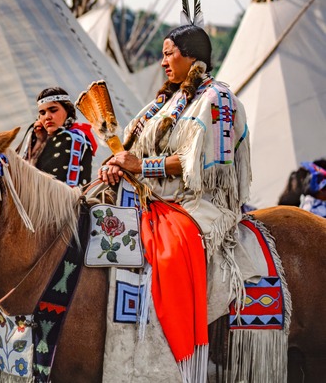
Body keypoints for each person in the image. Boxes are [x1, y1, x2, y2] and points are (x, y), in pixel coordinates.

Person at [98, 22, 252, 380]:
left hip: (201, 202)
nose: (164, 60)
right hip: (154, 196)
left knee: (164, 254)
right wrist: (118, 165)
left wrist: (141, 165)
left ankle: (163, 359)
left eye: (170, 53)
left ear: (191, 55)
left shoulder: (218, 100)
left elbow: (199, 166)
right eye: (164, 53)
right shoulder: (166, 101)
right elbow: (134, 149)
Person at [18, 86, 95, 186]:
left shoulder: (78, 138)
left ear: (67, 110)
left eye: (53, 110)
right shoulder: (36, 138)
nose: (47, 117)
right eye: (42, 113)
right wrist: (39, 142)